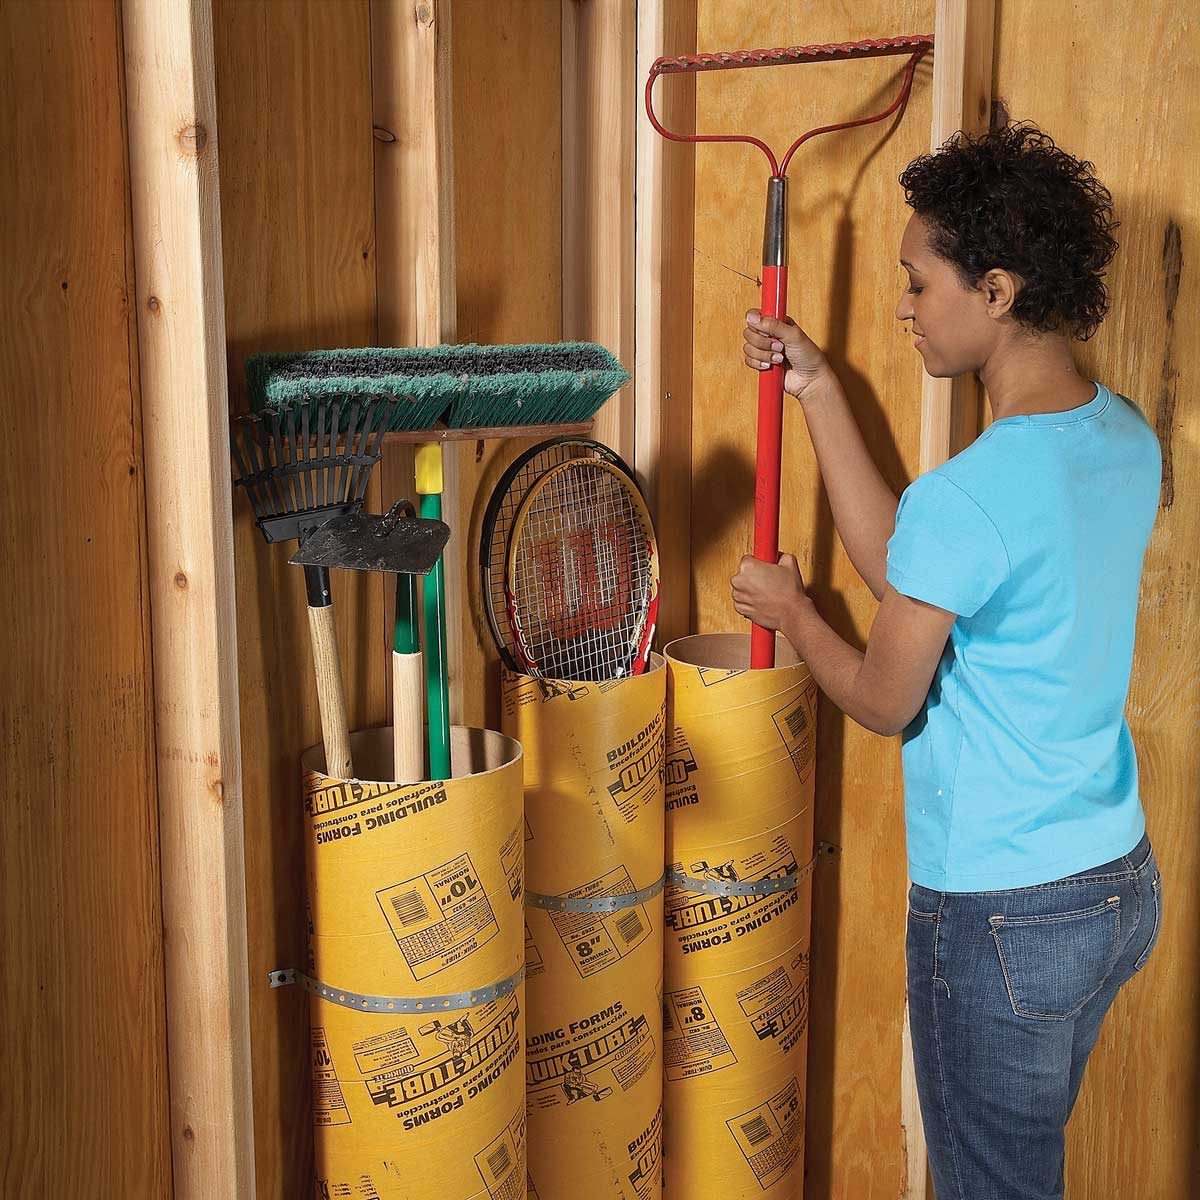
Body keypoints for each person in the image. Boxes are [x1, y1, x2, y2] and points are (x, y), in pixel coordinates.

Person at [730, 123, 1163, 1200]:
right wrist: (817, 388)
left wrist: (791, 611)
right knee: (1018, 1172)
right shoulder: (1124, 438)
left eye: (919, 283)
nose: (905, 306)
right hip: (1113, 890)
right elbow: (920, 576)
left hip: (1002, 915)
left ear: (1000, 291)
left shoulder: (968, 496)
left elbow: (884, 697)